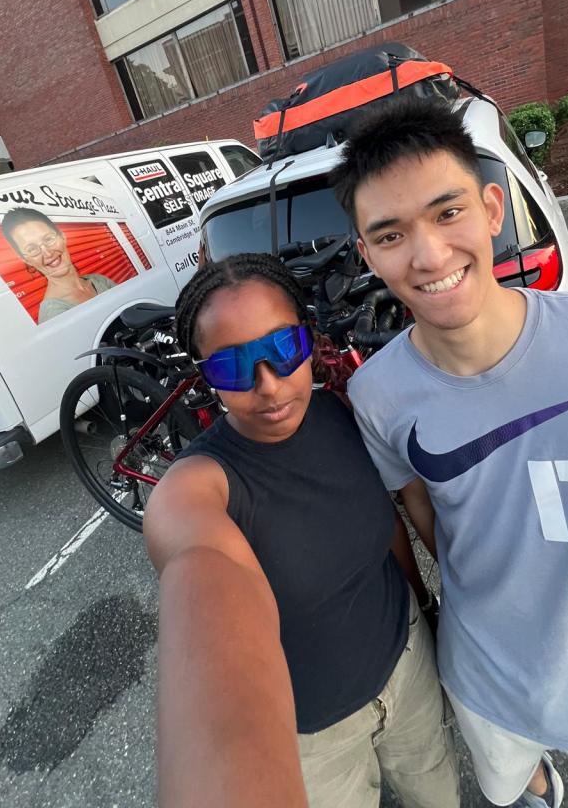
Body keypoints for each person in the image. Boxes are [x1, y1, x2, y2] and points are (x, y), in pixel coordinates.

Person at [329, 99, 568, 808]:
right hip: (489, 682)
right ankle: (540, 787)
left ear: (492, 209)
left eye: (447, 213)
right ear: (367, 254)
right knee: (509, 787)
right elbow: (425, 513)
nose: (428, 256)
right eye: (391, 234)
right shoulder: (377, 393)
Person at [143, 253, 459, 808]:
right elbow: (198, 572)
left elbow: (384, 525)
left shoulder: (341, 412)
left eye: (283, 348)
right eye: (233, 368)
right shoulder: (197, 487)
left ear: (308, 338)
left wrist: (423, 606)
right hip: (313, 741)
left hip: (408, 668)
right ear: (205, 375)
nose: (268, 385)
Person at [1, 208, 116, 324]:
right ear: (26, 259)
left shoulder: (99, 281)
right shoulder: (54, 315)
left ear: (62, 236)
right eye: (32, 249)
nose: (48, 253)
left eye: (48, 239)